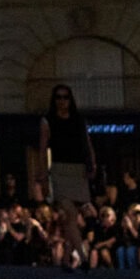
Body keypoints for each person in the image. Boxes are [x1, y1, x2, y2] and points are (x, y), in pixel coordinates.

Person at [37, 82, 95, 212]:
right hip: (60, 169)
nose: (62, 101)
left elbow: (87, 143)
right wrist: (43, 176)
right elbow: (42, 150)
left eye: (65, 97)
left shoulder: (79, 120)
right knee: (67, 210)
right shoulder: (48, 121)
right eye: (58, 97)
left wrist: (92, 164)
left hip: (78, 169)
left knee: (77, 211)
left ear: (70, 99)